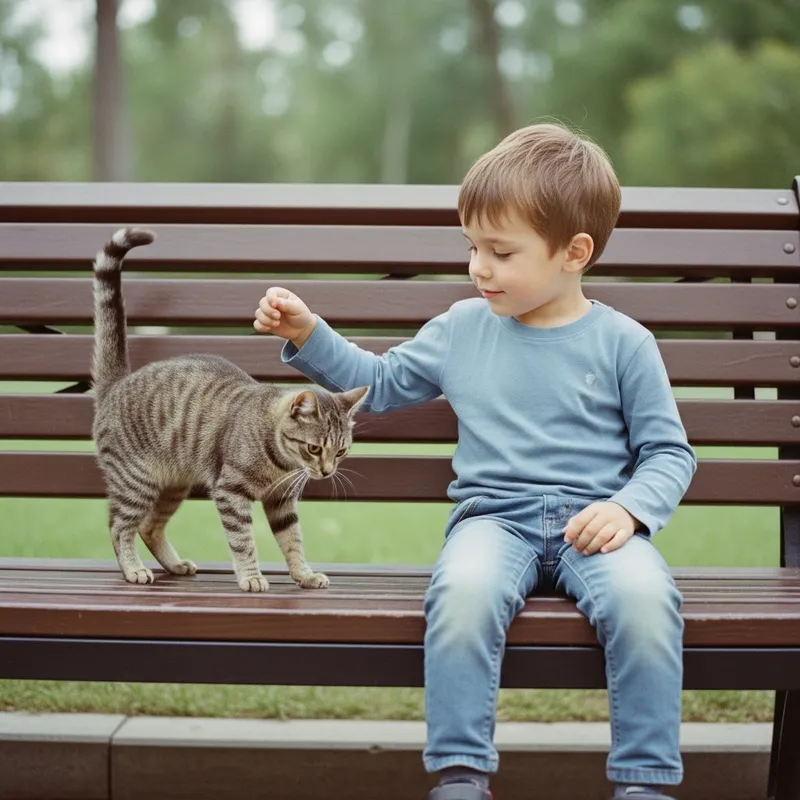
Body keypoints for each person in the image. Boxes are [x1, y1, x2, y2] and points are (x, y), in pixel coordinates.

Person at [253, 122, 697, 800]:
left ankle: (644, 784)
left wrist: (629, 510)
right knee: (460, 597)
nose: (479, 267)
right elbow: (381, 379)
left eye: (501, 251)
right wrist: (309, 335)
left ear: (573, 253)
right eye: (472, 247)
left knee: (645, 600)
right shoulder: (461, 328)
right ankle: (460, 777)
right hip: (495, 521)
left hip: (597, 525)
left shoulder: (623, 343)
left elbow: (668, 452)